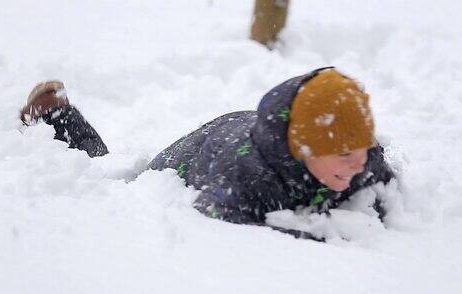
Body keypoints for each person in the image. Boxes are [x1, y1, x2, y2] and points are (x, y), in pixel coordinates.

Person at [20, 67, 395, 241]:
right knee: (115, 180)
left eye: (364, 148)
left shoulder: (365, 163)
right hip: (203, 152)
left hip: (260, 129)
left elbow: (382, 194)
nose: (358, 163)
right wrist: (317, 234)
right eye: (344, 153)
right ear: (306, 148)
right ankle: (60, 116)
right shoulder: (248, 177)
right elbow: (217, 217)